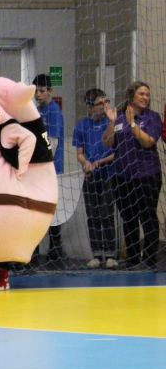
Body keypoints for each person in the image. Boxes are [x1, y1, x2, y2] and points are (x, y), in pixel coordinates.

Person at [103, 81, 162, 268]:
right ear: (131, 96)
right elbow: (107, 142)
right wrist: (112, 122)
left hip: (147, 175)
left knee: (147, 217)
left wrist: (133, 123)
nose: (145, 97)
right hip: (122, 176)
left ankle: (149, 260)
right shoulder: (118, 116)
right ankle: (133, 258)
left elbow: (148, 142)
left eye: (147, 95)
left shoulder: (153, 117)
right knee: (128, 218)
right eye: (141, 94)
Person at [73, 89, 117, 268]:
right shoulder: (82, 126)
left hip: (109, 174)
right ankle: (97, 254)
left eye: (106, 102)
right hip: (91, 176)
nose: (104, 106)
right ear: (89, 107)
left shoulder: (112, 123)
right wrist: (87, 164)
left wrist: (99, 162)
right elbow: (80, 153)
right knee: (93, 216)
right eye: (100, 103)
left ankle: (111, 254)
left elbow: (116, 152)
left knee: (107, 215)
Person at [31, 74, 65, 264]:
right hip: (38, 170)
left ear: (50, 91)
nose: (38, 94)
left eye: (42, 91)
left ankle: (55, 250)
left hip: (52, 170)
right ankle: (34, 251)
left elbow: (53, 142)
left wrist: (41, 161)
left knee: (52, 212)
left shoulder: (53, 111)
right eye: (36, 91)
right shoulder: (36, 111)